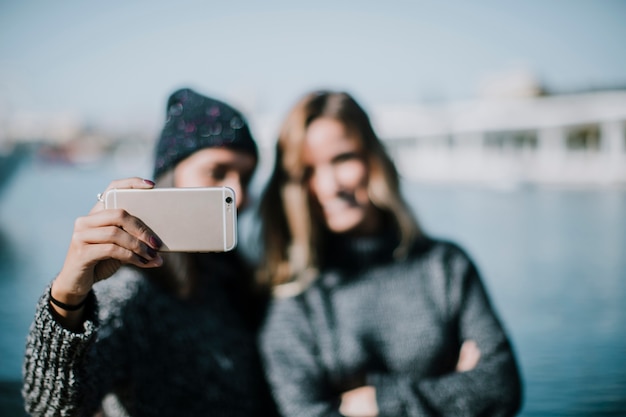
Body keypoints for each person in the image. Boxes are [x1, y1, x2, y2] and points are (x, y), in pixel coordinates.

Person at [257, 90, 523, 417]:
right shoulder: (295, 297)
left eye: (342, 158)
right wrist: (452, 392)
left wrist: (375, 404)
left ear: (374, 157)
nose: (329, 186)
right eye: (308, 171)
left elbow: (501, 388)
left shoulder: (445, 267)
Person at [22, 88, 277, 417]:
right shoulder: (131, 294)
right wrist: (69, 294)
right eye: (218, 172)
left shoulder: (232, 277)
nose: (238, 194)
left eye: (246, 177)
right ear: (169, 178)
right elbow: (49, 409)